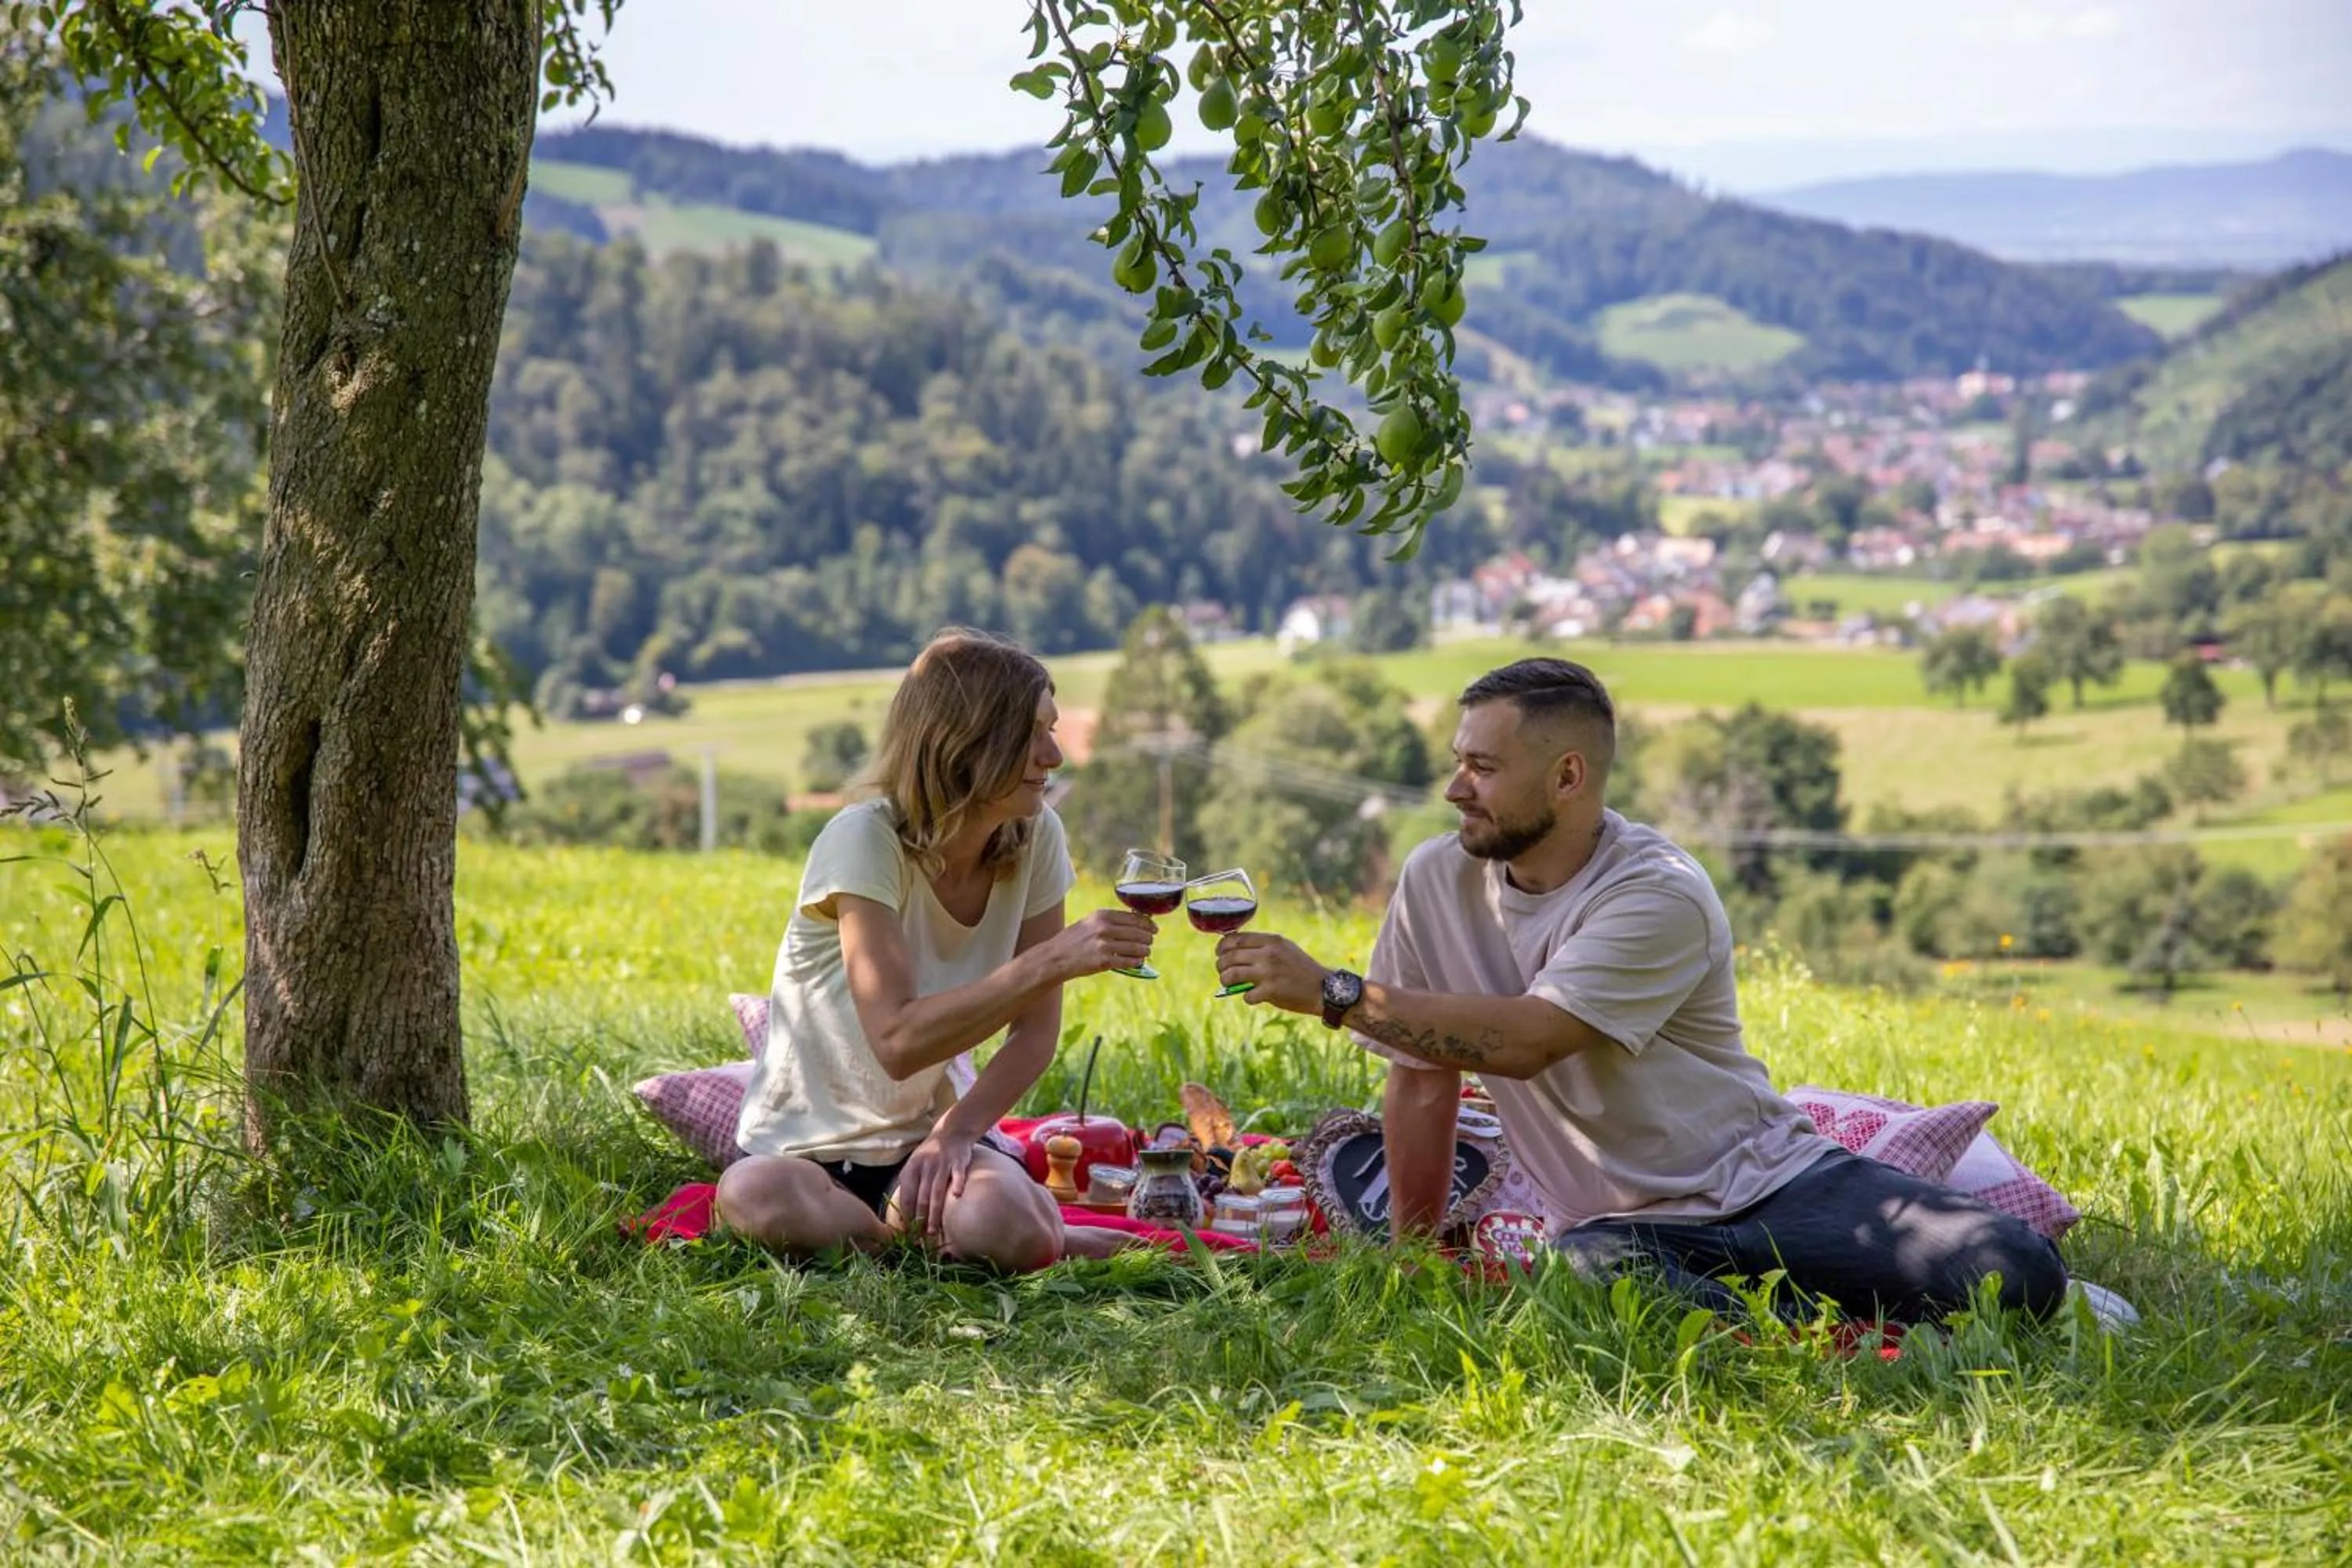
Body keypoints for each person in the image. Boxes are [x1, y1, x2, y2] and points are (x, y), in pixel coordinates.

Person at [1212, 657, 2067, 1323]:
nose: (1454, 788)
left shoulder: (1658, 891)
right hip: (1619, 1230)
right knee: (1589, 1270)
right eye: (1457, 762)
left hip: (1766, 1182)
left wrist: (1334, 990)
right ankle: (1817, 1325)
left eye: (1481, 766)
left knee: (2016, 1270)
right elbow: (1422, 1071)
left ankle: (1798, 1308)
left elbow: (1530, 1038)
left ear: (1568, 776)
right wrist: (1409, 1253)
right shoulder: (1436, 877)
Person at [717, 629, 1158, 1269]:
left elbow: (1035, 1033)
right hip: (805, 1155)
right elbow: (896, 1042)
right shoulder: (863, 841)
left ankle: (900, 1236)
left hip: (925, 1146)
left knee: (1012, 1227)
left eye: (1052, 729)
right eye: (1032, 733)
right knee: (751, 1195)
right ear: (967, 742)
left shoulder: (1036, 836)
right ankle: (907, 1242)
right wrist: (1053, 959)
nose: (1054, 754)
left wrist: (955, 1135)